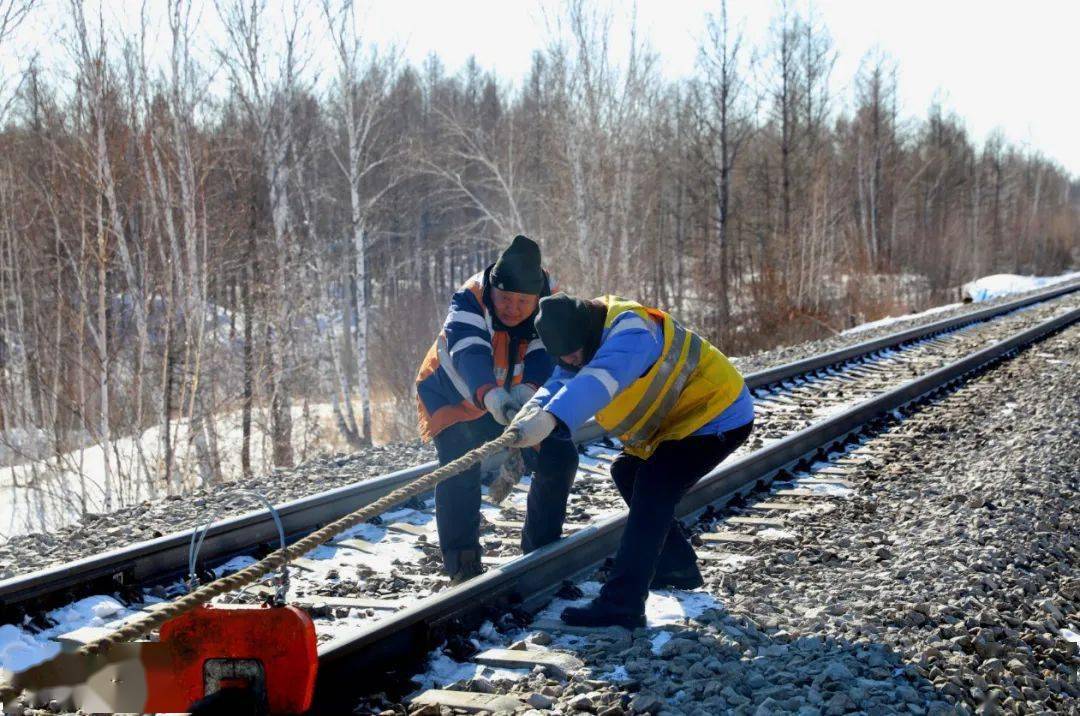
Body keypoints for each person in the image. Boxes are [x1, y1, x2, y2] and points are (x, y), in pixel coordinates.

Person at [509, 293, 754, 627]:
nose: (571, 360)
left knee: (654, 484)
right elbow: (563, 380)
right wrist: (531, 412)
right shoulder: (582, 339)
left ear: (586, 334)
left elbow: (598, 379)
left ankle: (622, 603)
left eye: (573, 353)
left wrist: (551, 418)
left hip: (717, 414)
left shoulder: (632, 331)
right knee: (628, 472)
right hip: (681, 424)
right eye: (563, 357)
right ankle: (676, 567)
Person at [416, 236, 580, 584]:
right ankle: (462, 566)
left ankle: (541, 550)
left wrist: (527, 391)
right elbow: (469, 352)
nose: (513, 308)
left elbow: (545, 353)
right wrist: (491, 396)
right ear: (492, 288)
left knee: (559, 456)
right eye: (505, 298)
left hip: (513, 392)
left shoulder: (550, 301)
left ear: (536, 297)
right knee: (459, 468)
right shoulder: (469, 299)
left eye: (523, 301)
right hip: (454, 396)